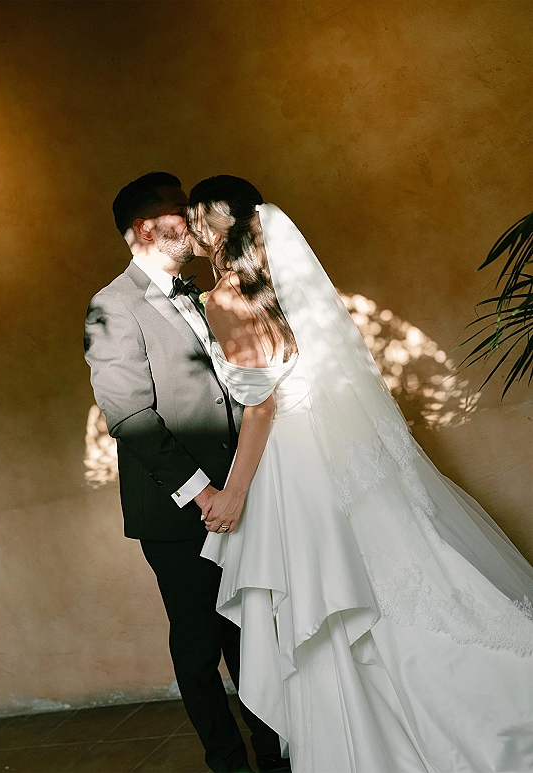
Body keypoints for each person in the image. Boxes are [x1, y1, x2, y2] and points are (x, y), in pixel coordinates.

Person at [187, 175, 533, 773]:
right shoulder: (276, 287)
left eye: (194, 219)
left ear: (208, 224)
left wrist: (234, 495)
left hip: (292, 460)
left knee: (331, 597)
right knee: (383, 579)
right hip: (333, 452)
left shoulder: (224, 297)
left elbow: (261, 406)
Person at [84, 172, 290, 773]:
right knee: (201, 645)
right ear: (147, 228)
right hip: (180, 513)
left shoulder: (201, 292)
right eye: (179, 210)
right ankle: (227, 762)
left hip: (240, 495)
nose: (192, 218)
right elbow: (129, 413)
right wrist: (205, 495)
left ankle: (277, 758)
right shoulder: (112, 304)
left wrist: (243, 486)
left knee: (251, 636)